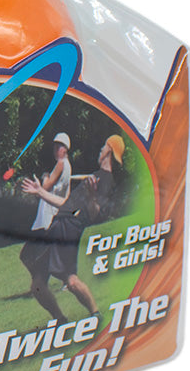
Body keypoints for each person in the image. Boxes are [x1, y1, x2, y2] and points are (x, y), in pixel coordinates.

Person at [19, 135, 124, 322]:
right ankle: (60, 319)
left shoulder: (106, 179)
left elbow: (94, 214)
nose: (100, 150)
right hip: (57, 225)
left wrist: (91, 197)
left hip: (69, 229)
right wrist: (40, 192)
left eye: (103, 147)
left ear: (109, 150)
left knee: (72, 281)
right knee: (37, 285)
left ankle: (96, 315)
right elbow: (66, 204)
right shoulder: (95, 175)